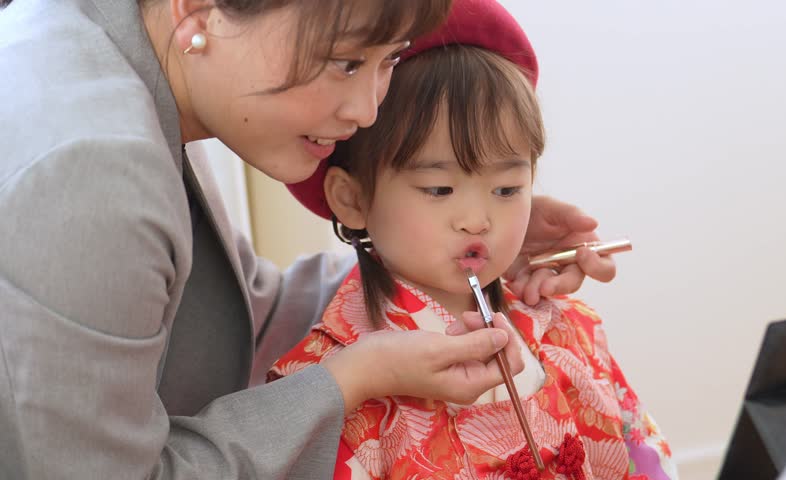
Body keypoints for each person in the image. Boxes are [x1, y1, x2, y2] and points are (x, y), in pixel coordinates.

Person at [0, 0, 619, 478]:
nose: (367, 110)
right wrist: (349, 379)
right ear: (197, 9)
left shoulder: (140, 60)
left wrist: (437, 259)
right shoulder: (88, 170)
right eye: (346, 62)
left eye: (388, 61)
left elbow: (237, 309)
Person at [267, 1, 678, 478]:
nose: (477, 220)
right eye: (439, 189)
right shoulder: (328, 384)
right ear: (352, 198)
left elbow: (643, 461)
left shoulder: (568, 329)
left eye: (506, 190)